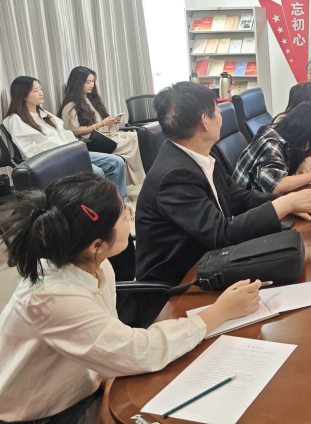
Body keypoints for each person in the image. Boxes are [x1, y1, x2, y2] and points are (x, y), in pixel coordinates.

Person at [0, 172, 263, 423]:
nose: (131, 214)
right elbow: (140, 351)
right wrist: (218, 312)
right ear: (97, 245)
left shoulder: (95, 263)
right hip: (44, 413)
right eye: (125, 213)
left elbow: (108, 336)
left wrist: (111, 383)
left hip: (87, 381)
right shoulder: (53, 296)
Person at [135, 83, 311, 302]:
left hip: (210, 264)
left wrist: (290, 202)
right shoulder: (175, 176)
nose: (221, 116)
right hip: (176, 290)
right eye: (217, 109)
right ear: (205, 121)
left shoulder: (199, 156)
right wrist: (284, 205)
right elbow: (221, 234)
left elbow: (239, 197)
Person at [2, 75, 128, 201]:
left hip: (69, 153)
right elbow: (29, 150)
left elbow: (65, 134)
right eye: (36, 90)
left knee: (117, 162)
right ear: (23, 96)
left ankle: (121, 203)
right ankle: (105, 206)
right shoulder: (15, 120)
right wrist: (63, 157)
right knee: (97, 172)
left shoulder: (45, 114)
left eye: (40, 89)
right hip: (53, 161)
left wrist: (78, 150)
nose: (41, 93)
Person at [60, 66, 146, 187]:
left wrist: (112, 121)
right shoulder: (70, 106)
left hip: (105, 134)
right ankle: (137, 179)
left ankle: (137, 178)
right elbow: (74, 131)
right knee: (133, 141)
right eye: (88, 82)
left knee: (137, 135)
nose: (91, 85)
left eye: (93, 81)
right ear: (78, 83)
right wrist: (101, 124)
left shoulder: (92, 100)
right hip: (93, 141)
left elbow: (102, 121)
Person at [234, 101, 311, 193]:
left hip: (265, 200)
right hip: (249, 204)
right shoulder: (272, 144)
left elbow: (310, 154)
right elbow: (274, 185)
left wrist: (304, 165)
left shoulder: (291, 140)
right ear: (303, 130)